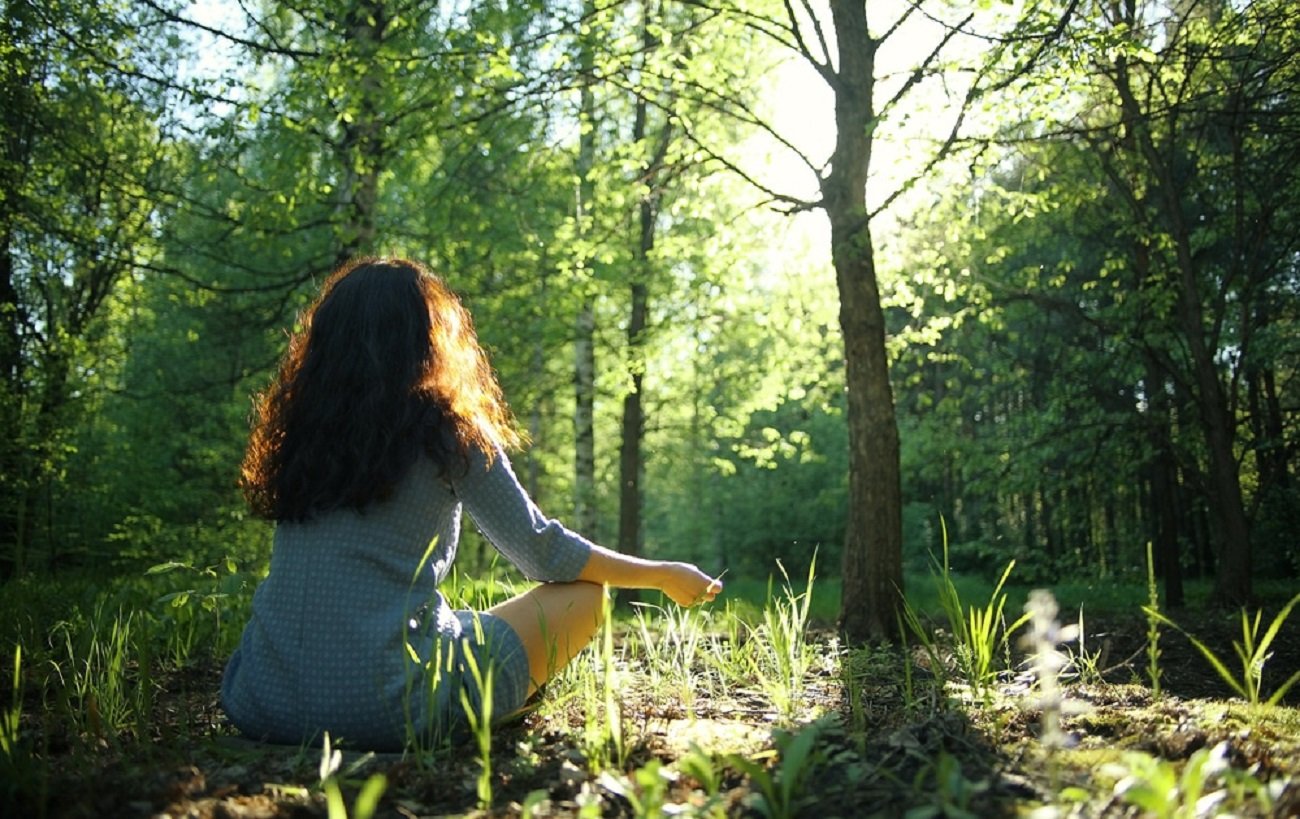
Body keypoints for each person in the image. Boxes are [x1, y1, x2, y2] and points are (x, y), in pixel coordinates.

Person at [221, 257, 721, 751]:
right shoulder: (448, 432)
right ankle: (491, 708)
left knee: (453, 621)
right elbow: (543, 553)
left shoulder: (299, 435)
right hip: (390, 714)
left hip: (261, 699)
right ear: (430, 338)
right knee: (584, 598)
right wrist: (661, 574)